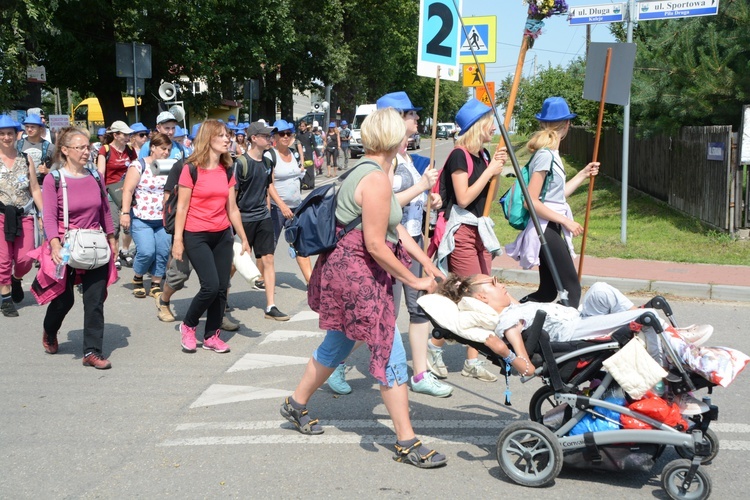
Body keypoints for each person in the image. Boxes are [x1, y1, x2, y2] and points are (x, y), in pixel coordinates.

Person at [280, 108, 447, 469]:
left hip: (352, 272)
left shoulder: (372, 172)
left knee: (338, 342)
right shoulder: (375, 180)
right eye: (404, 132)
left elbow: (396, 229)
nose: (409, 136)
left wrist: (430, 264)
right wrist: (414, 279)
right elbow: (375, 243)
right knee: (388, 348)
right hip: (359, 276)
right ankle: (406, 440)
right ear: (393, 138)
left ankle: (295, 403)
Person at [436, 274, 729, 393]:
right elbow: (515, 346)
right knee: (644, 316)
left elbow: (510, 302)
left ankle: (652, 333)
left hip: (579, 318)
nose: (500, 283)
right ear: (483, 298)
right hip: (573, 334)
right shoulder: (506, 319)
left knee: (600, 290)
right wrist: (520, 361)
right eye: (493, 282)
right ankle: (672, 342)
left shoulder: (514, 305)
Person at [429, 98, 508, 383]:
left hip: (479, 231)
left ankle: (471, 361)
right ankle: (434, 346)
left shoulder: (483, 155)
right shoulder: (460, 155)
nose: (494, 128)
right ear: (477, 125)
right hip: (461, 232)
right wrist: (489, 172)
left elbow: (485, 195)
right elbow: (463, 198)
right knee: (469, 296)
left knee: (482, 297)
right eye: (489, 122)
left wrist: (494, 169)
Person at [505, 97, 599, 308]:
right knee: (572, 290)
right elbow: (531, 201)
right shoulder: (545, 155)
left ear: (542, 123)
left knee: (547, 292)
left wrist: (583, 174)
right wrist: (565, 222)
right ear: (567, 124)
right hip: (544, 228)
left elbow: (556, 196)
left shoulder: (552, 155)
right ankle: (557, 334)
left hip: (550, 225)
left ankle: (516, 320)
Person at [38, 127, 117, 369]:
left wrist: (112, 239)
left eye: (88, 147)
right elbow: (49, 215)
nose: (87, 151)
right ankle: (49, 332)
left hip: (94, 245)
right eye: (80, 147)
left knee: (94, 300)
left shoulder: (95, 177)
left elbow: (104, 210)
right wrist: (54, 244)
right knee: (64, 301)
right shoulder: (55, 179)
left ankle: (92, 352)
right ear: (65, 150)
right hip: (66, 246)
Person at [172, 120, 250, 354]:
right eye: (222, 136)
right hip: (196, 235)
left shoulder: (227, 169)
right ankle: (188, 325)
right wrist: (178, 240)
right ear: (208, 139)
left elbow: (232, 208)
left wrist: (244, 238)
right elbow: (182, 208)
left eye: (228, 135)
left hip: (222, 235)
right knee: (210, 286)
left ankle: (211, 335)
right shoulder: (191, 168)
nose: (228, 139)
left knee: (221, 288)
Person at [235, 121, 290, 320]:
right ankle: (221, 297)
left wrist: (278, 206)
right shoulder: (240, 163)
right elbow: (232, 197)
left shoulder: (268, 162)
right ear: (253, 139)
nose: (270, 139)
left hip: (263, 217)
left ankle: (270, 306)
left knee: (268, 259)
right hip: (243, 219)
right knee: (236, 262)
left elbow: (269, 187)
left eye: (270, 136)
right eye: (266, 136)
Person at [0, 115, 43, 317]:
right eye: (2, 134)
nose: (6, 137)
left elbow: (34, 188)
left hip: (23, 214)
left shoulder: (25, 159)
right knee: (3, 259)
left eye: (9, 133)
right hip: (0, 216)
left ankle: (16, 279)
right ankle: (5, 296)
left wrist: (43, 214)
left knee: (25, 259)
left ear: (17, 135)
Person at [120, 133, 172, 299]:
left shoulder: (170, 166)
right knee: (147, 251)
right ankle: (138, 277)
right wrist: (125, 213)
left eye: (169, 149)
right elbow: (128, 190)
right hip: (141, 217)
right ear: (153, 148)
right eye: (163, 148)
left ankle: (156, 283)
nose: (166, 152)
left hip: (163, 218)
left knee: (163, 251)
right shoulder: (139, 165)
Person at [267, 119, 312, 284]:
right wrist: (282, 205)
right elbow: (269, 185)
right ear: (275, 137)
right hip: (277, 209)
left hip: (295, 207)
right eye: (282, 134)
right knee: (267, 249)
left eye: (288, 133)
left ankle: (311, 283)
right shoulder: (270, 155)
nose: (286, 136)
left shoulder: (292, 154)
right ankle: (226, 287)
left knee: (301, 245)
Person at [97, 120, 137, 270]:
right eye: (125, 134)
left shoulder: (130, 150)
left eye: (129, 134)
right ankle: (113, 256)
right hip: (110, 193)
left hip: (127, 190)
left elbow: (136, 167)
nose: (128, 137)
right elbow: (101, 173)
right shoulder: (105, 149)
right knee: (114, 226)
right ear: (115, 135)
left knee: (129, 224)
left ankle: (124, 250)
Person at [18, 113, 55, 185]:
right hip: (22, 185)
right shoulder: (17, 145)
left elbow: (61, 168)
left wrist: (48, 171)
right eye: (27, 126)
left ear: (40, 128)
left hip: (42, 186)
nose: (29, 129)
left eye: (32, 127)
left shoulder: (50, 147)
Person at [296, 120, 315, 189]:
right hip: (301, 153)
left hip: (309, 152)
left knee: (310, 168)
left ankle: (311, 183)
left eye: (303, 126)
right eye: (301, 126)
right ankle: (304, 183)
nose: (302, 128)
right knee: (303, 167)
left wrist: (318, 154)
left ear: (306, 127)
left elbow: (314, 144)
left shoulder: (310, 134)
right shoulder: (298, 135)